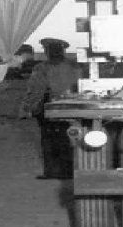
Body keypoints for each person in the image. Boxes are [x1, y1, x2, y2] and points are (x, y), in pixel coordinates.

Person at [17, 38, 81, 179]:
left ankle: (52, 172)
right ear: (62, 51)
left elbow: (36, 90)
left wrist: (26, 108)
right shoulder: (75, 66)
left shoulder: (42, 68)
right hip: (74, 107)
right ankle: (69, 171)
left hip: (50, 108)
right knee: (69, 138)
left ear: (47, 52)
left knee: (49, 140)